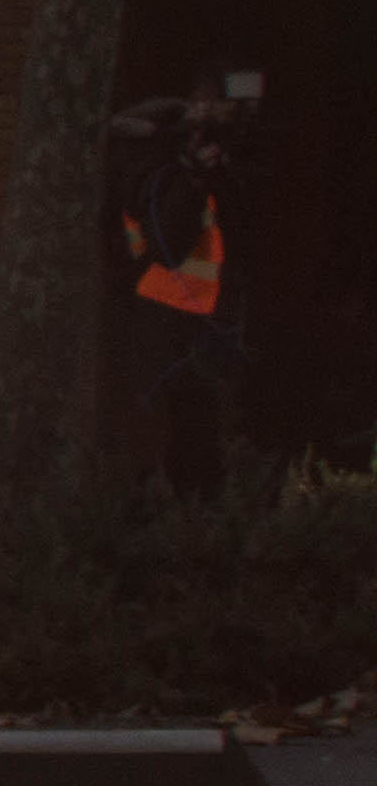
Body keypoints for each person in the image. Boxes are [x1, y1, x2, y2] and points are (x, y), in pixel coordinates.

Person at [115, 86, 249, 497]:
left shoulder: (175, 181)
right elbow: (168, 248)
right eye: (194, 136)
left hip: (188, 328)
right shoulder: (158, 183)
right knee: (189, 439)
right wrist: (193, 181)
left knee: (201, 433)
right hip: (170, 334)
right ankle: (185, 516)